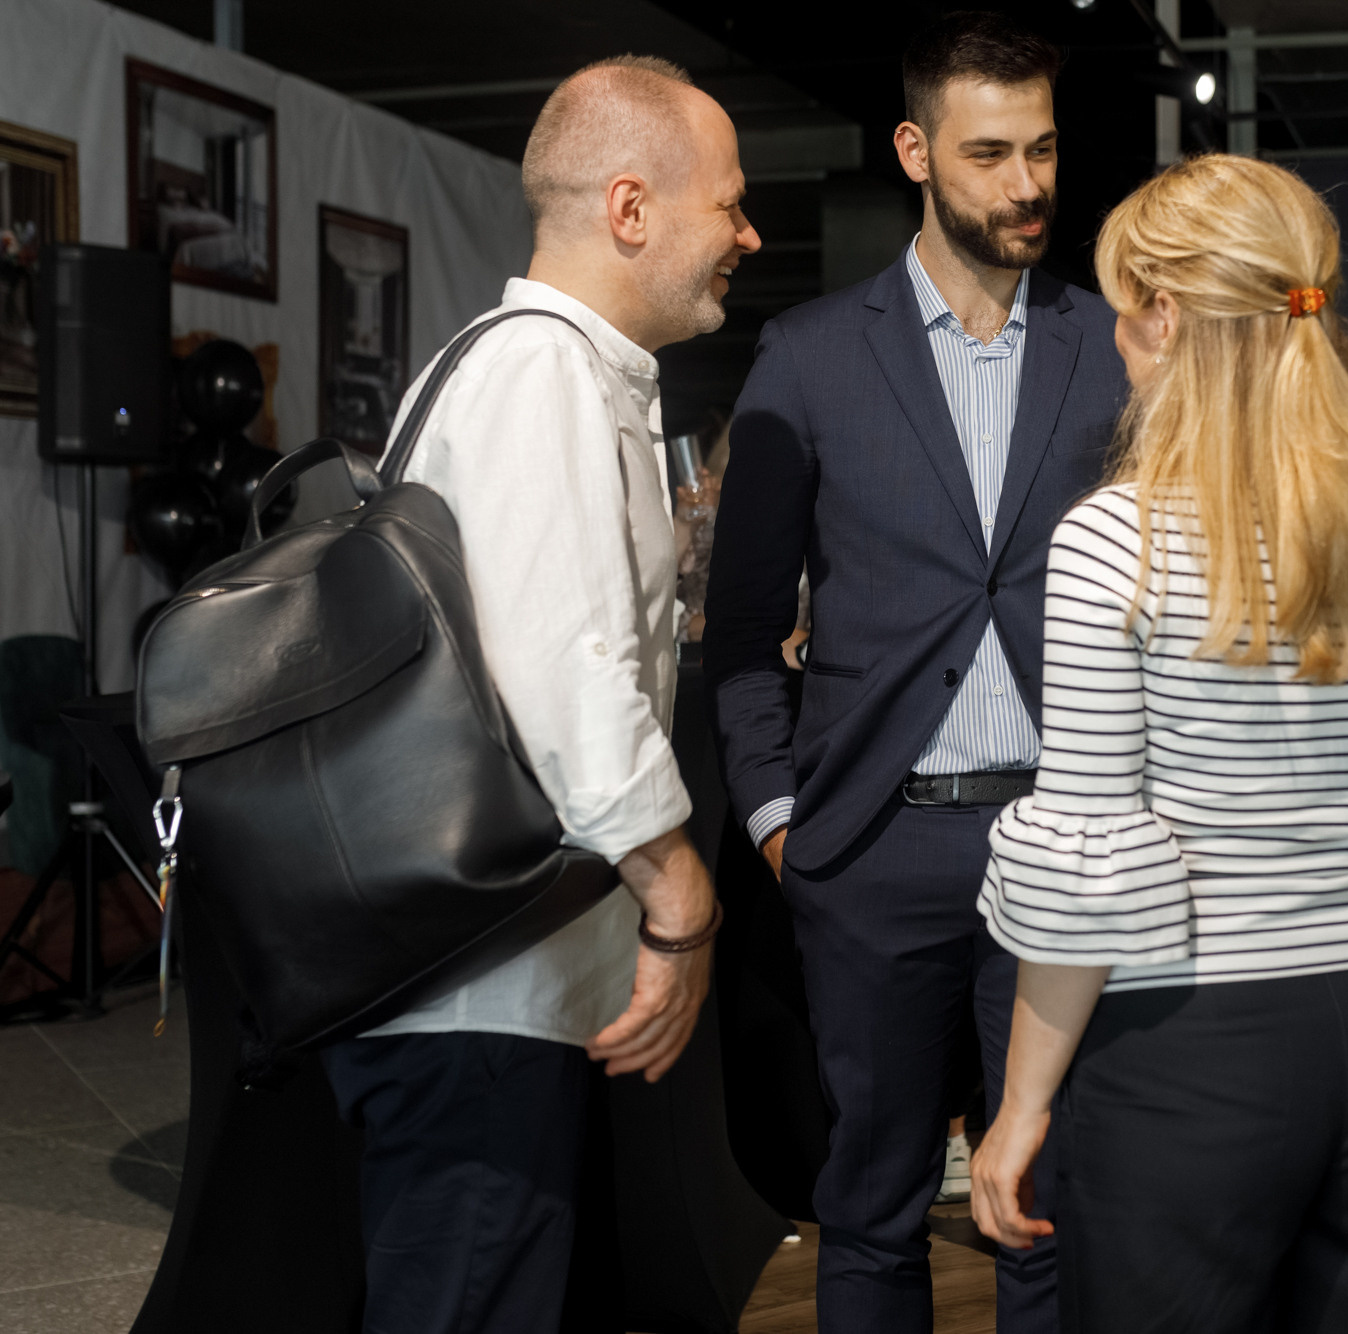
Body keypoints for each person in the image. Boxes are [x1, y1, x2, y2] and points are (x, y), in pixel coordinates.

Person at [968, 153, 1348, 1334]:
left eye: (1118, 304)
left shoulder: (1117, 540)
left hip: (1196, 1051)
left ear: (1165, 313)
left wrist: (1019, 1102)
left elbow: (1089, 859)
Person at [318, 55, 760, 1334]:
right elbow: (565, 669)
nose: (747, 232)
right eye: (726, 203)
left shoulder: (555, 368)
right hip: (477, 995)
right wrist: (679, 895)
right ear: (631, 209)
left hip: (496, 984)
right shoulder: (543, 374)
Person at [703, 11, 1129, 1330]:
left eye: (1043, 150)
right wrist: (784, 825)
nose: (1027, 184)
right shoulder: (813, 356)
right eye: (990, 152)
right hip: (872, 854)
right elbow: (741, 629)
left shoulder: (1117, 346)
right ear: (914, 151)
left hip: (1061, 843)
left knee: (1052, 1205)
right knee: (873, 1207)